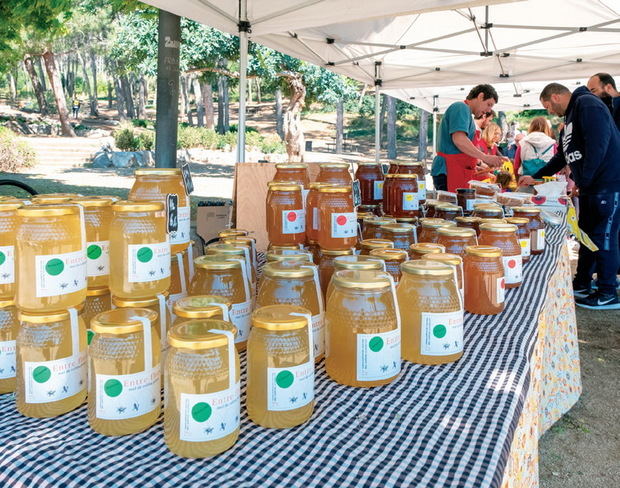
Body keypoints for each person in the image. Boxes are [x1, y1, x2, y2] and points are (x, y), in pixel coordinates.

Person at [518, 83, 620, 310]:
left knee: (604, 239)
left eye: (548, 106)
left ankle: (608, 292)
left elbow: (598, 145)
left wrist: (585, 180)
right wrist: (535, 176)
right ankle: (583, 283)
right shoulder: (570, 119)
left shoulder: (587, 104)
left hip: (606, 185)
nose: (549, 112)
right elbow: (562, 158)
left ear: (555, 96)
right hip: (591, 186)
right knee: (588, 237)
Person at [431, 85, 504, 192]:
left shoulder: (466, 113)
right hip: (449, 170)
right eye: (489, 104)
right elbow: (459, 140)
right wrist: (485, 157)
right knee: (451, 207)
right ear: (480, 96)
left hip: (457, 170)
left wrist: (476, 164)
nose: (488, 110)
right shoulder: (461, 107)